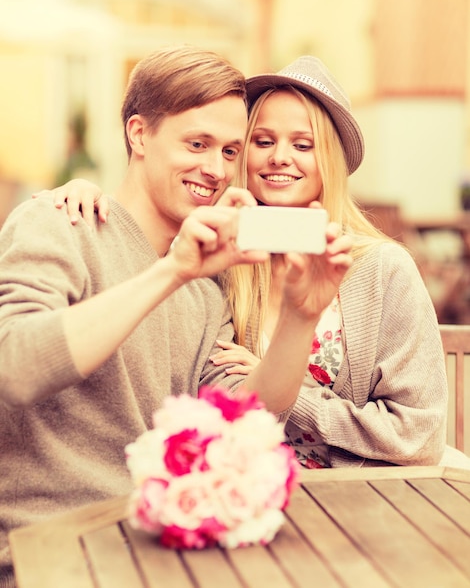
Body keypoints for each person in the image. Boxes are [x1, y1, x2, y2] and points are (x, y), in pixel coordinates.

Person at [0, 46, 353, 587]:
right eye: (197, 144)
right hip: (52, 555)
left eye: (230, 151)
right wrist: (171, 274)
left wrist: (299, 317)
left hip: (157, 550)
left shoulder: (205, 287)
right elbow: (16, 368)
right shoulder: (57, 224)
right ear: (139, 135)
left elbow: (244, 413)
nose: (214, 169)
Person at [51, 54, 470, 470]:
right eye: (262, 141)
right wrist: (91, 194)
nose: (279, 157)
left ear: (329, 160)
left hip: (363, 498)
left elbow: (419, 435)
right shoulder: (219, 260)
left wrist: (294, 394)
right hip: (240, 493)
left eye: (302, 144)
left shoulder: (382, 269)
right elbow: (145, 231)